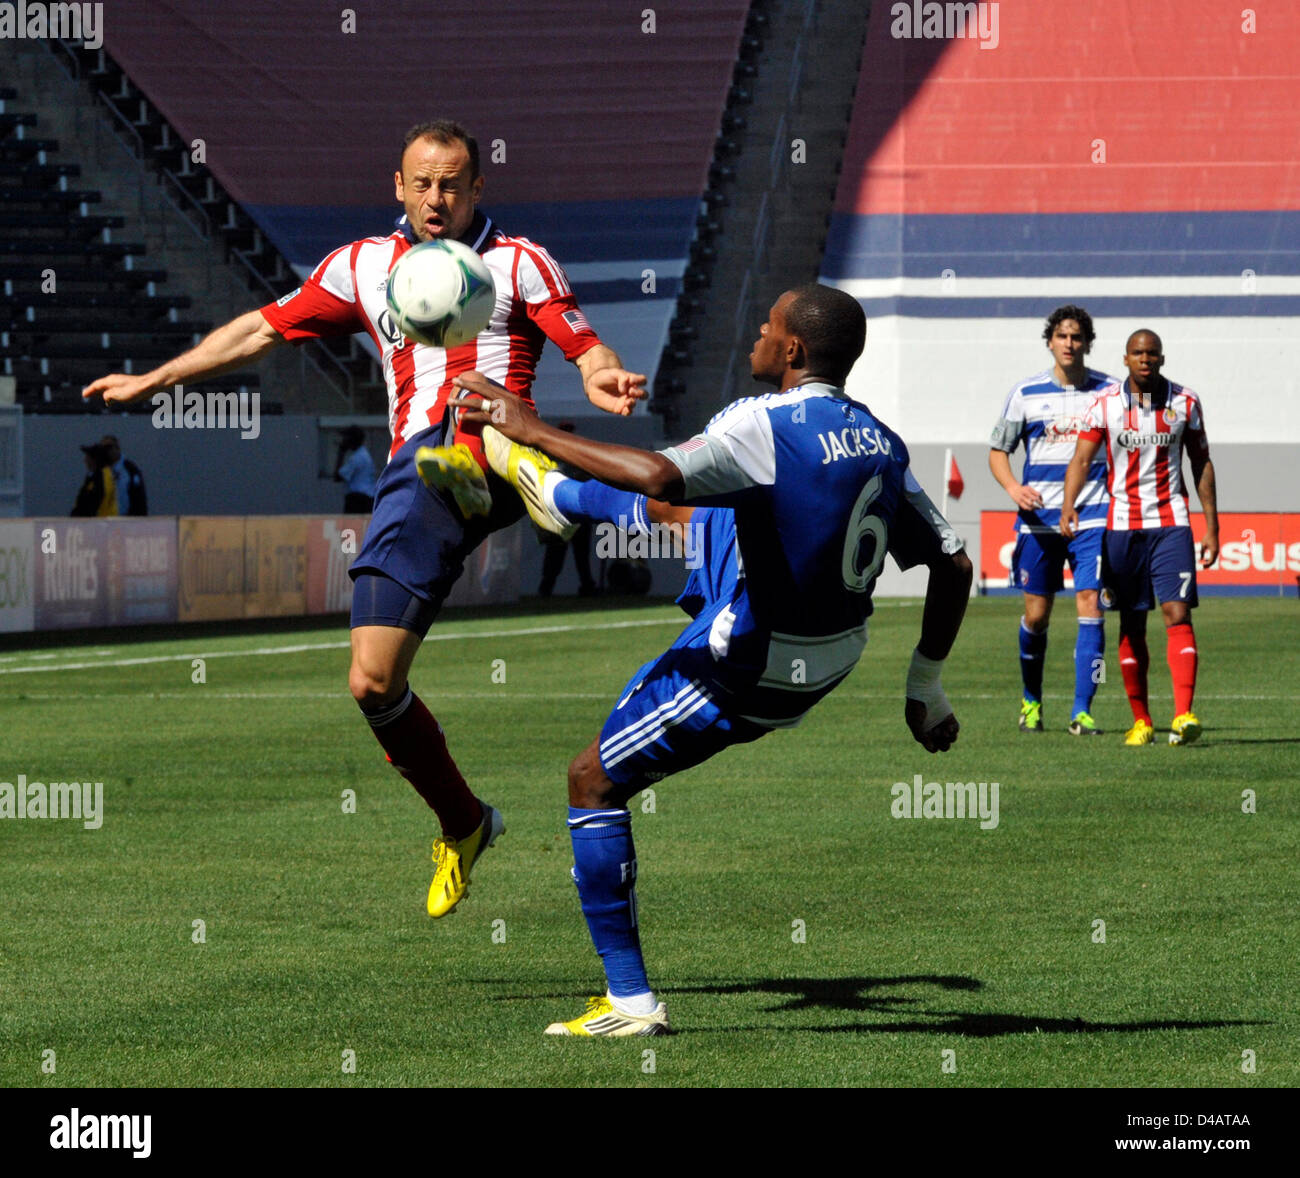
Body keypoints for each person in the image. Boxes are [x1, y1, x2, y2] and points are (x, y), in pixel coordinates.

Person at [82, 118, 645, 915]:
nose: (436, 198)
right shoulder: (363, 266)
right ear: (398, 186)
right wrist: (158, 378)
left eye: (452, 183)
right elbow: (259, 328)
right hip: (416, 482)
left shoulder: (519, 263)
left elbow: (586, 348)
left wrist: (604, 377)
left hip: (493, 432)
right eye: (422, 183)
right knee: (372, 681)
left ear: (478, 187)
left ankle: (540, 479)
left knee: (469, 419)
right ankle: (466, 821)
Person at [457, 284, 972, 1036]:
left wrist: (528, 426)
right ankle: (563, 499)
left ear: (792, 350)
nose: (757, 338)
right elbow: (953, 566)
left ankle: (630, 1004)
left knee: (591, 779)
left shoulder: (761, 423)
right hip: (835, 654)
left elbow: (658, 473)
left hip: (753, 664)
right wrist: (925, 687)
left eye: (766, 327)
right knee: (704, 507)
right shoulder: (881, 441)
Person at [1061, 329, 1218, 746]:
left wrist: (1212, 526)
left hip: (1171, 522)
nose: (1145, 359)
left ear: (1161, 359)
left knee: (1176, 613)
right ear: (1126, 359)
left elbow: (1202, 462)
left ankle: (1183, 714)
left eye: (1152, 354)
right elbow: (1081, 457)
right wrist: (1068, 504)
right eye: (1137, 353)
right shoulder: (1105, 404)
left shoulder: (1185, 402)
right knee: (1131, 622)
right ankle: (1142, 720)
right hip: (1122, 526)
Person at [989, 305, 1113, 736]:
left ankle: (1082, 711)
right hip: (1038, 518)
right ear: (1050, 342)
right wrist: (1012, 489)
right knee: (1037, 616)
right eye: (1062, 336)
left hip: (1093, 514)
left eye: (1077, 337)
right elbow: (997, 451)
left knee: (1091, 605)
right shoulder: (1024, 393)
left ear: (1087, 344)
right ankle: (1031, 702)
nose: (1069, 344)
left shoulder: (1110, 393)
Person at [536, 422, 597, 597]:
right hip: (559, 510)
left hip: (578, 510)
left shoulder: (579, 453)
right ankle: (546, 587)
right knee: (556, 552)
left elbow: (588, 475)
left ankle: (586, 585)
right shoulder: (552, 453)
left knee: (581, 553)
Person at [100, 435, 148, 516]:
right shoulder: (101, 471)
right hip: (106, 522)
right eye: (103, 449)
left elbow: (139, 498)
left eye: (109, 447)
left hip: (127, 520)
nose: (107, 451)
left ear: (117, 448)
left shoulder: (130, 469)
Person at [334, 425, 376, 513]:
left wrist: (341, 453)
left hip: (357, 499)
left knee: (351, 525)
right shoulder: (364, 454)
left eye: (346, 437)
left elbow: (337, 477)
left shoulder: (357, 458)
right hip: (367, 498)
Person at [70, 442, 116, 517]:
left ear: (94, 459)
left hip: (99, 524)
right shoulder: (99, 475)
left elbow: (96, 502)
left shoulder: (101, 477)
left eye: (87, 457)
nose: (85, 460)